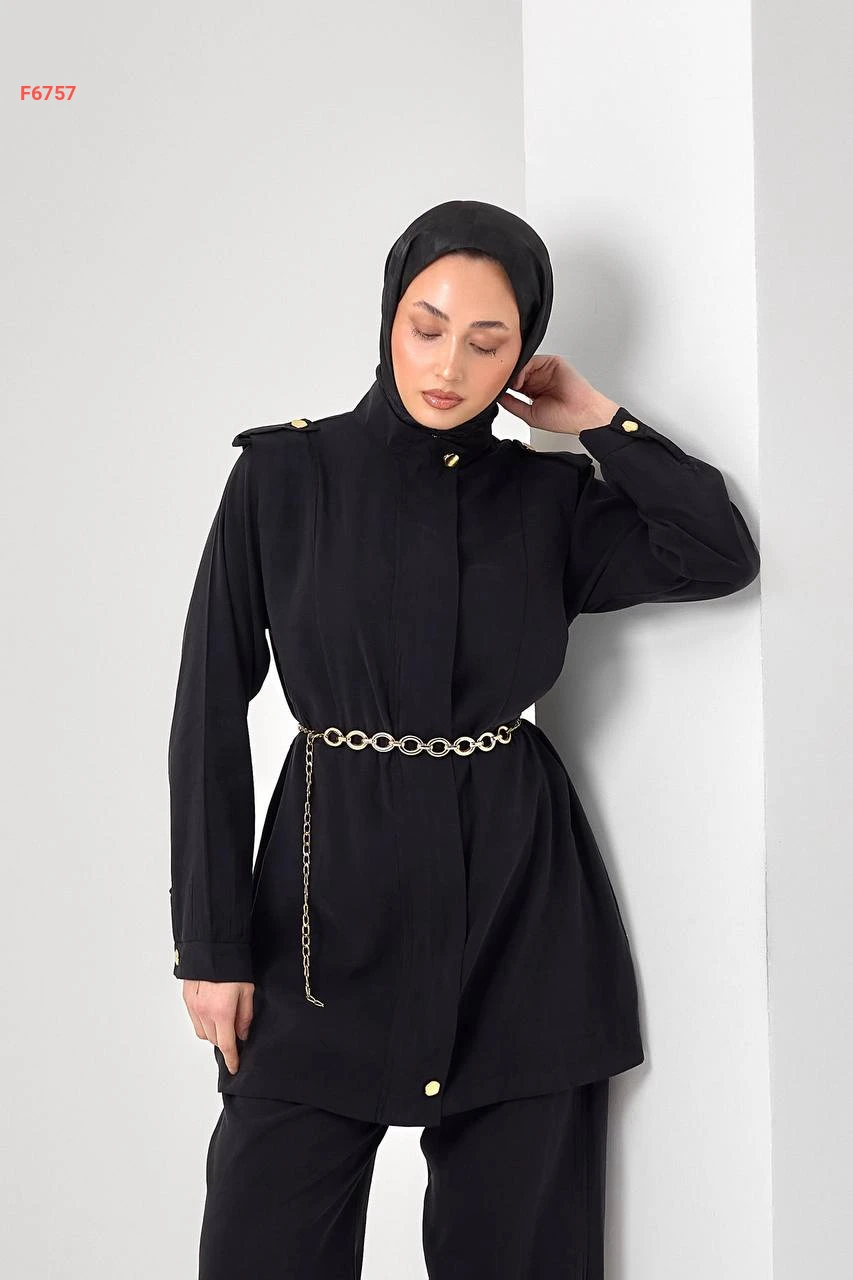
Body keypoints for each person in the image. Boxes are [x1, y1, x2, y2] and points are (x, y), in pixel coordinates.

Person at [167, 199, 760, 1278]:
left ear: (523, 353)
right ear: (388, 316)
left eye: (489, 342)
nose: (449, 366)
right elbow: (207, 707)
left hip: (519, 918)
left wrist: (597, 421)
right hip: (319, 917)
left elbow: (714, 552)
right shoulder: (284, 477)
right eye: (427, 327)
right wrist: (209, 948)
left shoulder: (547, 498)